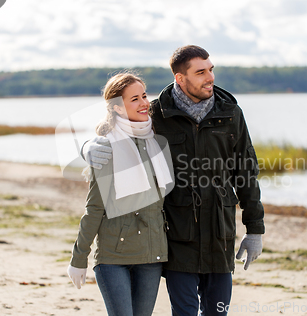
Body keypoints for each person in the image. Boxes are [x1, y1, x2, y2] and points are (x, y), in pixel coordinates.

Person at [83, 46, 265, 316]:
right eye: (200, 72)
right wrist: (88, 146)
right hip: (177, 237)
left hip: (220, 236)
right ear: (181, 78)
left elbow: (246, 173)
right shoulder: (157, 115)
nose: (210, 77)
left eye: (211, 69)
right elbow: (118, 133)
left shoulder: (231, 114)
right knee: (185, 312)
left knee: (217, 312)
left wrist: (254, 230)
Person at [67, 72, 173, 316]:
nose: (144, 103)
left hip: (151, 254)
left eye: (144, 95)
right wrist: (78, 257)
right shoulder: (105, 149)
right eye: (134, 99)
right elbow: (94, 209)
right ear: (117, 108)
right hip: (113, 257)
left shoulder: (157, 141)